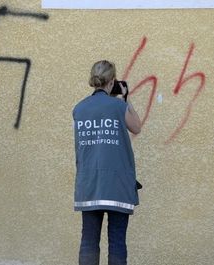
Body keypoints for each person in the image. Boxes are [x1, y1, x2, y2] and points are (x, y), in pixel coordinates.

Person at [72, 60, 142, 265]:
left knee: (88, 241)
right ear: (112, 82)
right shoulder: (119, 106)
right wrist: (126, 98)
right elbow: (136, 127)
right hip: (117, 184)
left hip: (89, 183)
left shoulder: (79, 109)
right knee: (117, 241)